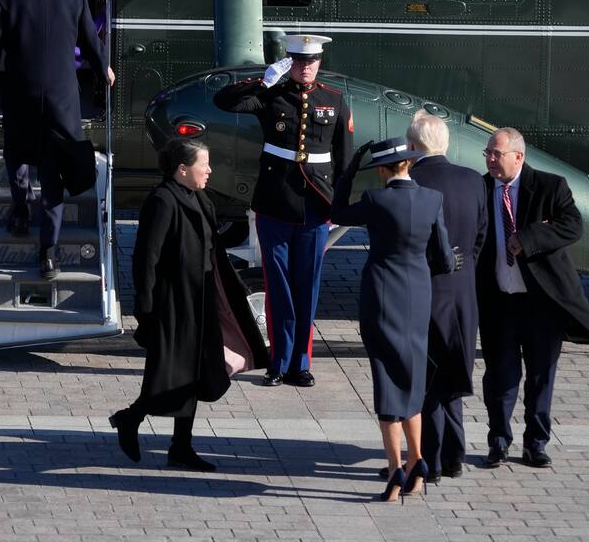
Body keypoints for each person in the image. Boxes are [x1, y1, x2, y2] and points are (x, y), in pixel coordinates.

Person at [110, 139, 269, 472]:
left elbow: (212, 248)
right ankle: (132, 419)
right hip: (173, 305)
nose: (209, 171)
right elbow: (146, 259)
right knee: (170, 376)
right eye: (204, 164)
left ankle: (179, 445)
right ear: (183, 169)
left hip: (202, 301)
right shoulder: (162, 201)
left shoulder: (199, 197)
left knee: (194, 374)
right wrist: (145, 308)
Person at [0, 0, 113, 277]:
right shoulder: (75, 0)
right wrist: (104, 68)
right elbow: (92, 44)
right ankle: (49, 254)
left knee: (16, 155)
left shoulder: (6, 0)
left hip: (21, 96)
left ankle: (20, 212)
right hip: (62, 100)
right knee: (53, 175)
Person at [213, 34, 351, 388]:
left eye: (311, 61)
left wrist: (338, 204)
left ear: (320, 62)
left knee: (307, 287)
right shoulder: (270, 95)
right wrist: (262, 80)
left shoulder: (334, 100)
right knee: (279, 288)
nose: (306, 68)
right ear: (290, 62)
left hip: (316, 206)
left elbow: (344, 161)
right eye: (299, 61)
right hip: (275, 202)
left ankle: (300, 363)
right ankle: (278, 360)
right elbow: (223, 101)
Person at [331, 137, 454, 501]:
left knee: (387, 384)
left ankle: (396, 469)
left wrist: (348, 173)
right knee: (413, 382)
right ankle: (418, 461)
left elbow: (336, 214)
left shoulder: (376, 200)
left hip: (382, 298)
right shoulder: (433, 199)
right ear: (410, 165)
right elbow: (444, 259)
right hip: (418, 298)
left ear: (382, 170)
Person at [477, 127, 589, 469]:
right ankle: (498, 441)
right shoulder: (481, 187)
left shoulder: (550, 186)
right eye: (487, 153)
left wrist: (529, 237)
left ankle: (536, 443)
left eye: (496, 154)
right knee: (500, 378)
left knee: (540, 376)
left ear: (518, 157)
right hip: (499, 302)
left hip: (540, 303)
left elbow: (572, 226)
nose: (489, 159)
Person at [406, 111, 487, 483]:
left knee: (426, 380)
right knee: (455, 374)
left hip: (424, 289)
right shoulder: (473, 180)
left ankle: (431, 462)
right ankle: (454, 456)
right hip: (463, 291)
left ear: (412, 145)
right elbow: (480, 238)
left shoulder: (411, 182)